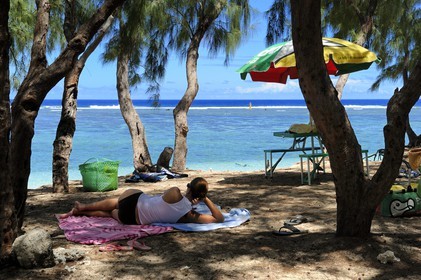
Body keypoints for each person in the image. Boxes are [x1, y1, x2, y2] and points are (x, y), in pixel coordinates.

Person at [58, 177, 224, 225]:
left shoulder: (175, 192)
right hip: (132, 219)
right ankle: (81, 212)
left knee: (118, 201)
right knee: (111, 214)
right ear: (201, 195)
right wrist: (205, 199)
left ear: (188, 187)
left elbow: (167, 198)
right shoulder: (189, 215)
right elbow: (219, 219)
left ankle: (83, 207)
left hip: (133, 201)